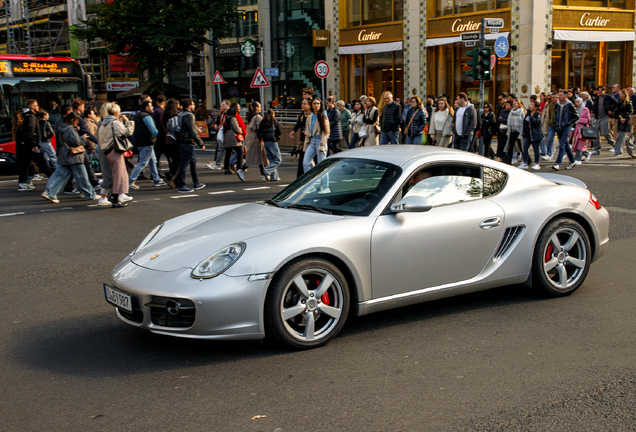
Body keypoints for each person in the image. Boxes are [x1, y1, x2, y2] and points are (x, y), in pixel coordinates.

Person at [41, 112, 96, 203]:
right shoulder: (70, 129)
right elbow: (76, 142)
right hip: (74, 156)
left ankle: (52, 194)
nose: (77, 123)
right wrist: (83, 138)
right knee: (82, 176)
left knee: (63, 176)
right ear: (72, 120)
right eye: (77, 121)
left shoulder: (62, 128)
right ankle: (90, 194)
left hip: (65, 154)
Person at [97, 103, 135, 207]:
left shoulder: (103, 123)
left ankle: (115, 197)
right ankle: (116, 198)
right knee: (120, 175)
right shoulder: (114, 122)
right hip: (115, 151)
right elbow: (127, 132)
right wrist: (128, 121)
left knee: (116, 174)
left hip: (107, 150)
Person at [128, 100, 165, 188]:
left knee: (153, 161)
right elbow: (153, 130)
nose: (152, 107)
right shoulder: (146, 116)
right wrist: (160, 139)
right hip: (147, 141)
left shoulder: (138, 115)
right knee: (143, 162)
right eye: (151, 106)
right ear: (146, 107)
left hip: (142, 141)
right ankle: (131, 180)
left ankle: (157, 179)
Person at [175, 98, 206, 192]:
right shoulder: (189, 116)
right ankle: (181, 185)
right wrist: (200, 143)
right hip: (187, 142)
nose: (194, 106)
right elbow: (193, 131)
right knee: (184, 164)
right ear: (189, 106)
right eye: (192, 104)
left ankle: (196, 182)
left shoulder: (181, 115)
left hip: (182, 141)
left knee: (192, 162)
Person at [551, 89, 579, 171]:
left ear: (565, 96)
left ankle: (557, 163)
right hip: (559, 127)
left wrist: (569, 122)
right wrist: (556, 123)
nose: (559, 96)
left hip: (566, 127)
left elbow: (576, 116)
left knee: (562, 145)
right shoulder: (558, 105)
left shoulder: (569, 104)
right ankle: (572, 161)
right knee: (565, 145)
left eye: (561, 95)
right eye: (559, 95)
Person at [303, 98, 330, 174]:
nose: (316, 105)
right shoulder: (309, 117)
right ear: (311, 105)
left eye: (318, 103)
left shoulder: (323, 116)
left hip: (320, 140)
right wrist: (306, 144)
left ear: (321, 105)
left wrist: (322, 144)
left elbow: (326, 132)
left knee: (321, 166)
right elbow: (307, 132)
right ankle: (310, 182)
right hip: (311, 141)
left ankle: (324, 185)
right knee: (305, 163)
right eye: (314, 103)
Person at [241, 101, 267, 181]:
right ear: (256, 107)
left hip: (249, 136)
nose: (260, 108)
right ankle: (242, 169)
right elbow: (259, 128)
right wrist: (262, 137)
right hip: (255, 137)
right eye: (259, 107)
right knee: (256, 155)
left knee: (259, 155)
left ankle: (263, 174)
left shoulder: (250, 115)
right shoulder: (258, 117)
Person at [162, 98, 182, 187]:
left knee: (174, 160)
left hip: (167, 139)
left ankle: (174, 180)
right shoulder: (176, 115)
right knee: (180, 159)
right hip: (175, 139)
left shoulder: (165, 114)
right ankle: (170, 175)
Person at [591, 86, 617, 155]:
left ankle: (615, 145)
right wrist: (593, 112)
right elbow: (594, 107)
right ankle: (596, 149)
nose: (600, 91)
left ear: (604, 91)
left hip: (605, 117)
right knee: (595, 133)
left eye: (602, 90)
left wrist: (611, 110)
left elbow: (616, 103)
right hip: (598, 118)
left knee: (605, 133)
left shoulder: (608, 97)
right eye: (599, 90)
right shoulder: (596, 99)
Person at [258, 109, 282, 181]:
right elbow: (279, 132)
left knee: (271, 159)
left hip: (265, 142)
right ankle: (267, 170)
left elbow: (258, 131)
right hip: (272, 141)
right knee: (278, 160)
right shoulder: (274, 122)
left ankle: (274, 177)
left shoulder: (262, 122)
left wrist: (261, 139)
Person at [221, 104, 244, 181]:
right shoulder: (233, 119)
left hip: (226, 137)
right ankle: (239, 167)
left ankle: (226, 168)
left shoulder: (225, 118)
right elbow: (236, 129)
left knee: (228, 153)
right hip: (233, 137)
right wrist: (240, 130)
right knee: (240, 151)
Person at [290, 98, 311, 177]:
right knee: (302, 162)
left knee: (311, 162)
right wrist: (294, 131)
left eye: (304, 104)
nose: (302, 105)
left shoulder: (312, 116)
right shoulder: (303, 115)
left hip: (311, 141)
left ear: (309, 105)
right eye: (302, 103)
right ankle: (299, 179)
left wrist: (307, 131)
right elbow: (299, 123)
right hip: (303, 141)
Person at [519, 101, 542, 170]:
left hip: (536, 135)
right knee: (525, 148)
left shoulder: (538, 114)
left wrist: (532, 117)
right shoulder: (528, 113)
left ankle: (536, 163)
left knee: (536, 149)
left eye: (532, 106)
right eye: (530, 105)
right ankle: (525, 162)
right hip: (527, 134)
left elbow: (537, 123)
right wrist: (523, 131)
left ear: (536, 107)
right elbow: (524, 122)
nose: (530, 107)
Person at [612, 89, 633, 156]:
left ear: (624, 94)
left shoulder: (627, 102)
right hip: (620, 120)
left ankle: (618, 151)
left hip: (626, 121)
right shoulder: (620, 102)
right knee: (624, 137)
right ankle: (632, 146)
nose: (620, 95)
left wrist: (625, 118)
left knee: (621, 136)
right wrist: (615, 117)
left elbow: (630, 111)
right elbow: (617, 111)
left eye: (621, 94)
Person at [572, 99, 591, 164]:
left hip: (583, 129)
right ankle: (586, 153)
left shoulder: (586, 110)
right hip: (576, 129)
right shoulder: (575, 109)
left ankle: (577, 158)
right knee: (577, 143)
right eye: (576, 102)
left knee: (579, 144)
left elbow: (588, 120)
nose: (577, 103)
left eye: (578, 102)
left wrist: (579, 119)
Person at [152, 95, 168, 175]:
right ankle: (157, 173)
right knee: (168, 154)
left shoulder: (154, 111)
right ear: (164, 103)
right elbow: (161, 124)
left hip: (155, 136)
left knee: (156, 156)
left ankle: (155, 173)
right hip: (161, 136)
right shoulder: (161, 112)